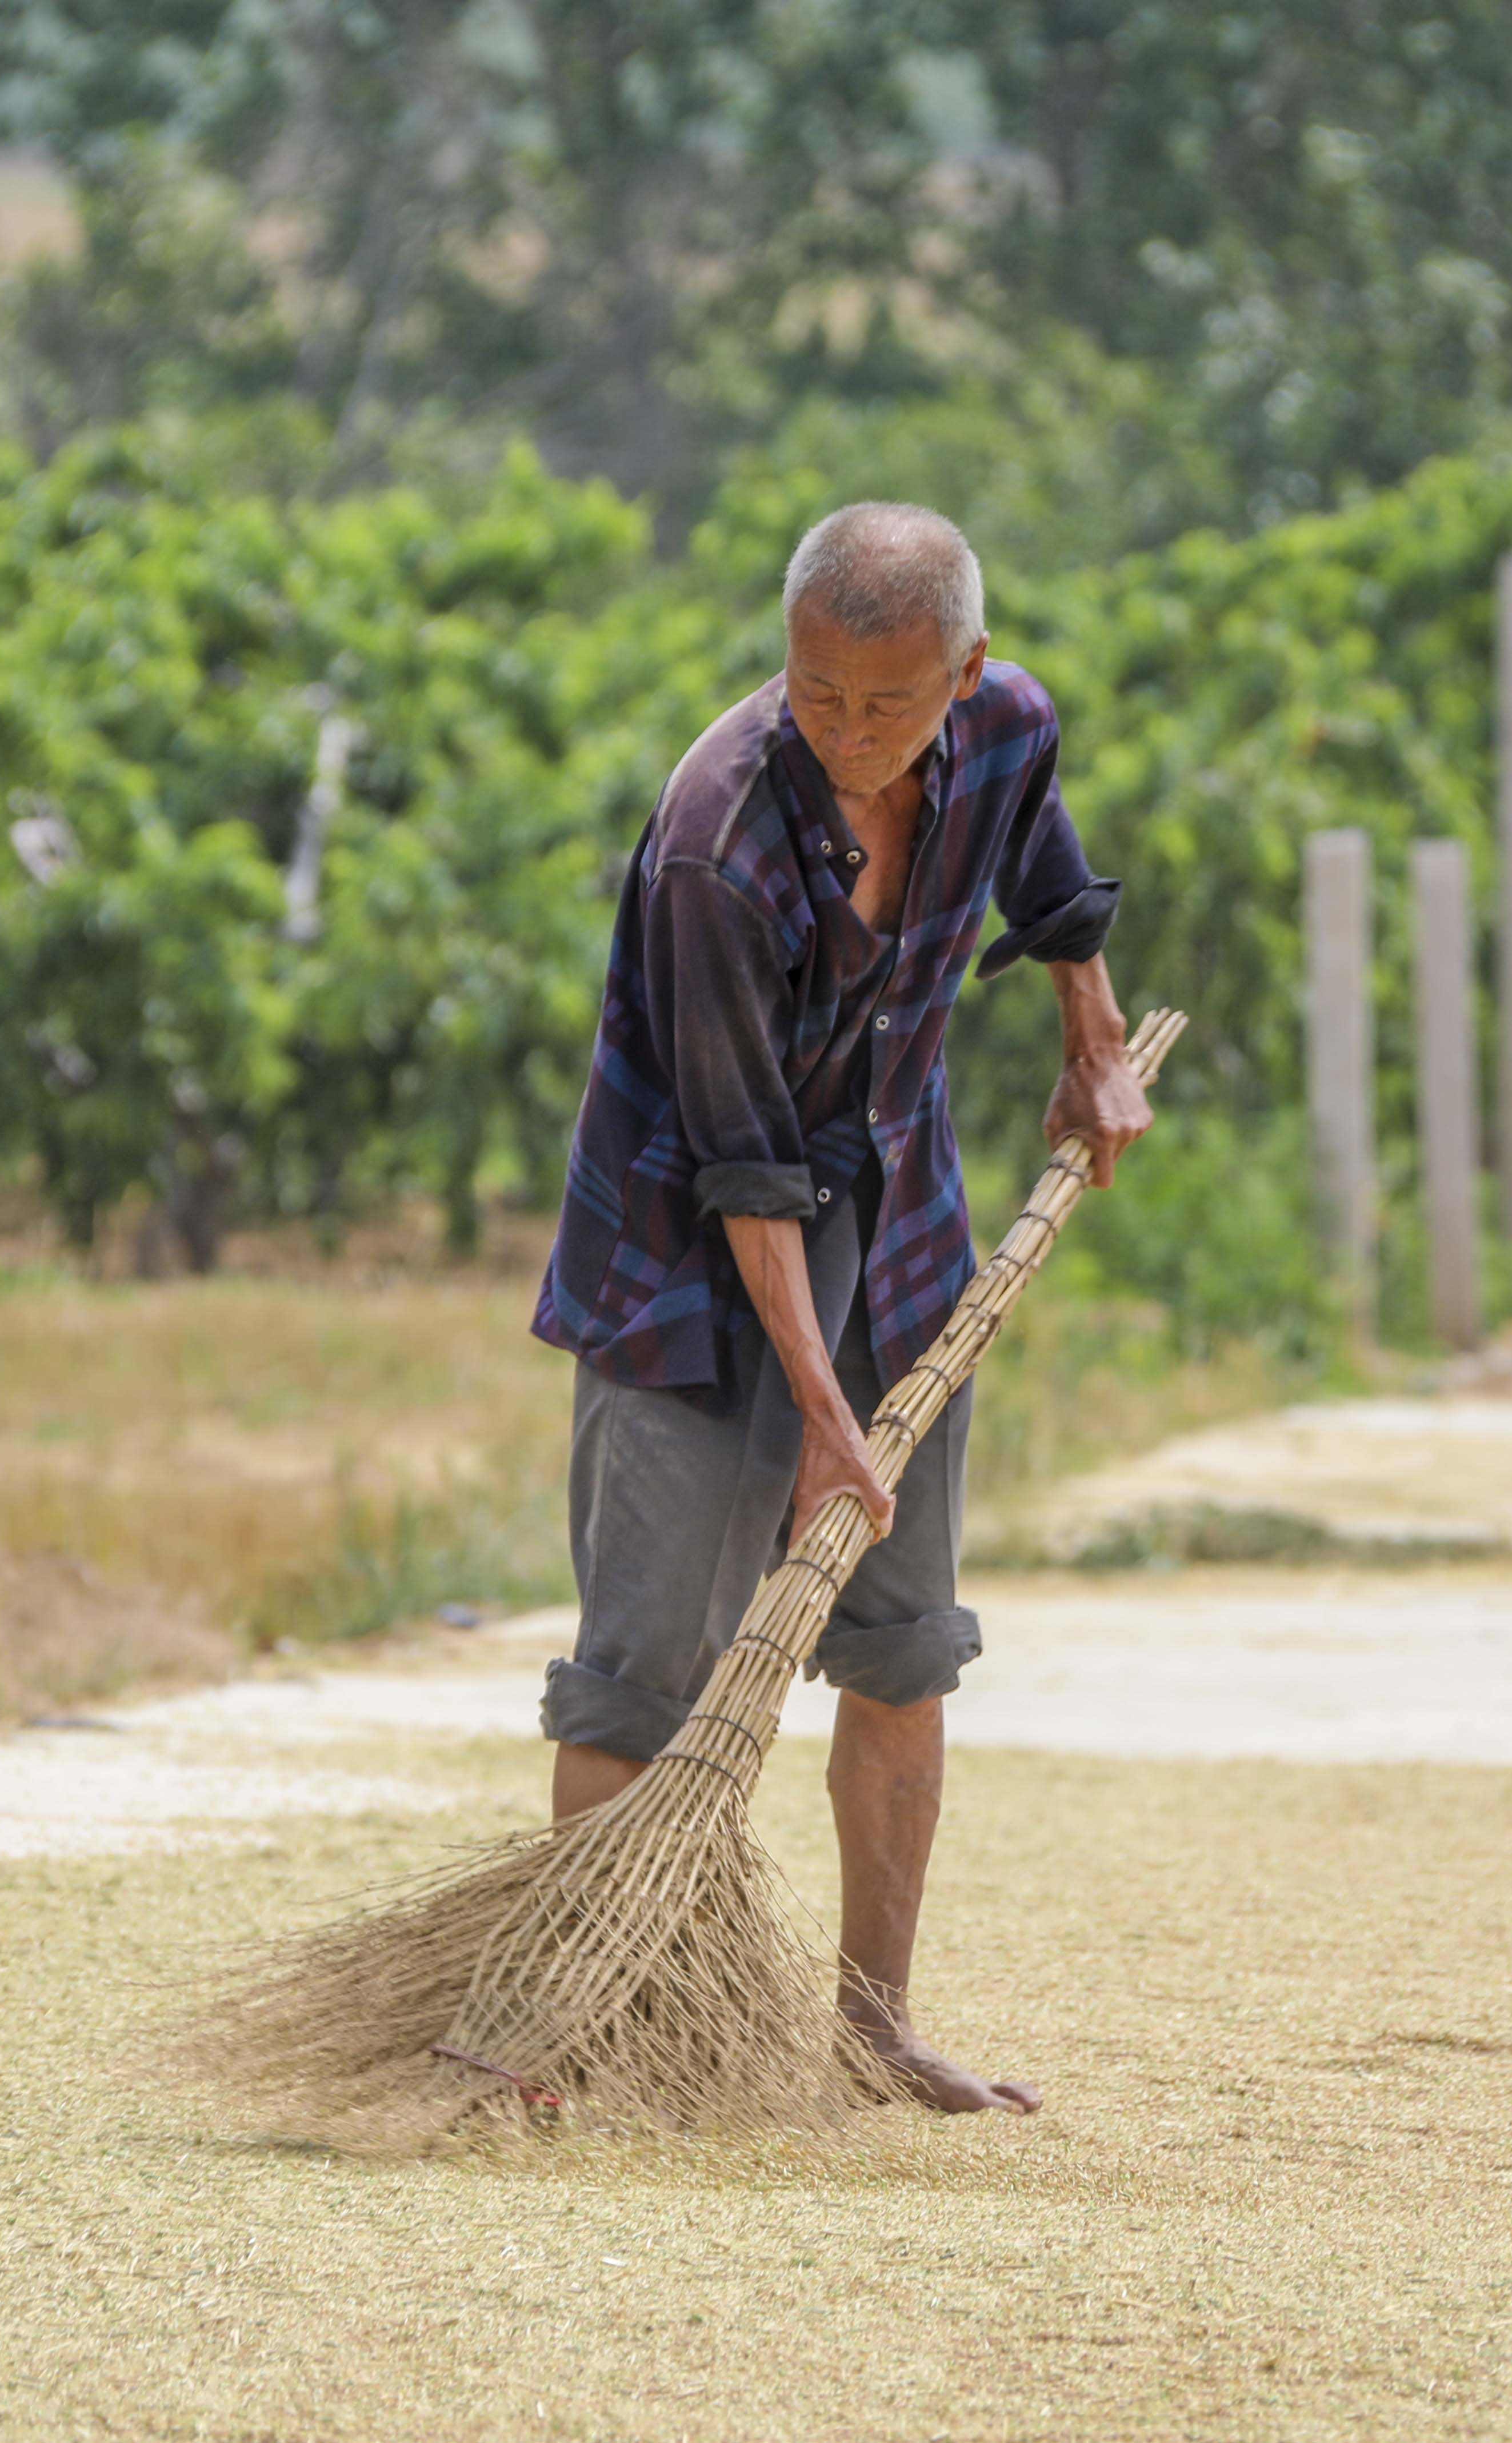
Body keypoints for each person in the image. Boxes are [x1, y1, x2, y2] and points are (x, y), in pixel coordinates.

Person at [529, 502, 1149, 2114]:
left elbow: (1055, 882)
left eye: (889, 702)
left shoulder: (1002, 729)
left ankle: (872, 2027)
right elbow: (742, 1176)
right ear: (782, 657)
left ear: (966, 671)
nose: (851, 735)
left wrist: (1089, 1037)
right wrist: (819, 1416)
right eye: (817, 694)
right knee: (640, 1667)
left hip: (903, 1240)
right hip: (686, 1254)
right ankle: (582, 2035)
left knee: (904, 1648)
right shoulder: (713, 843)